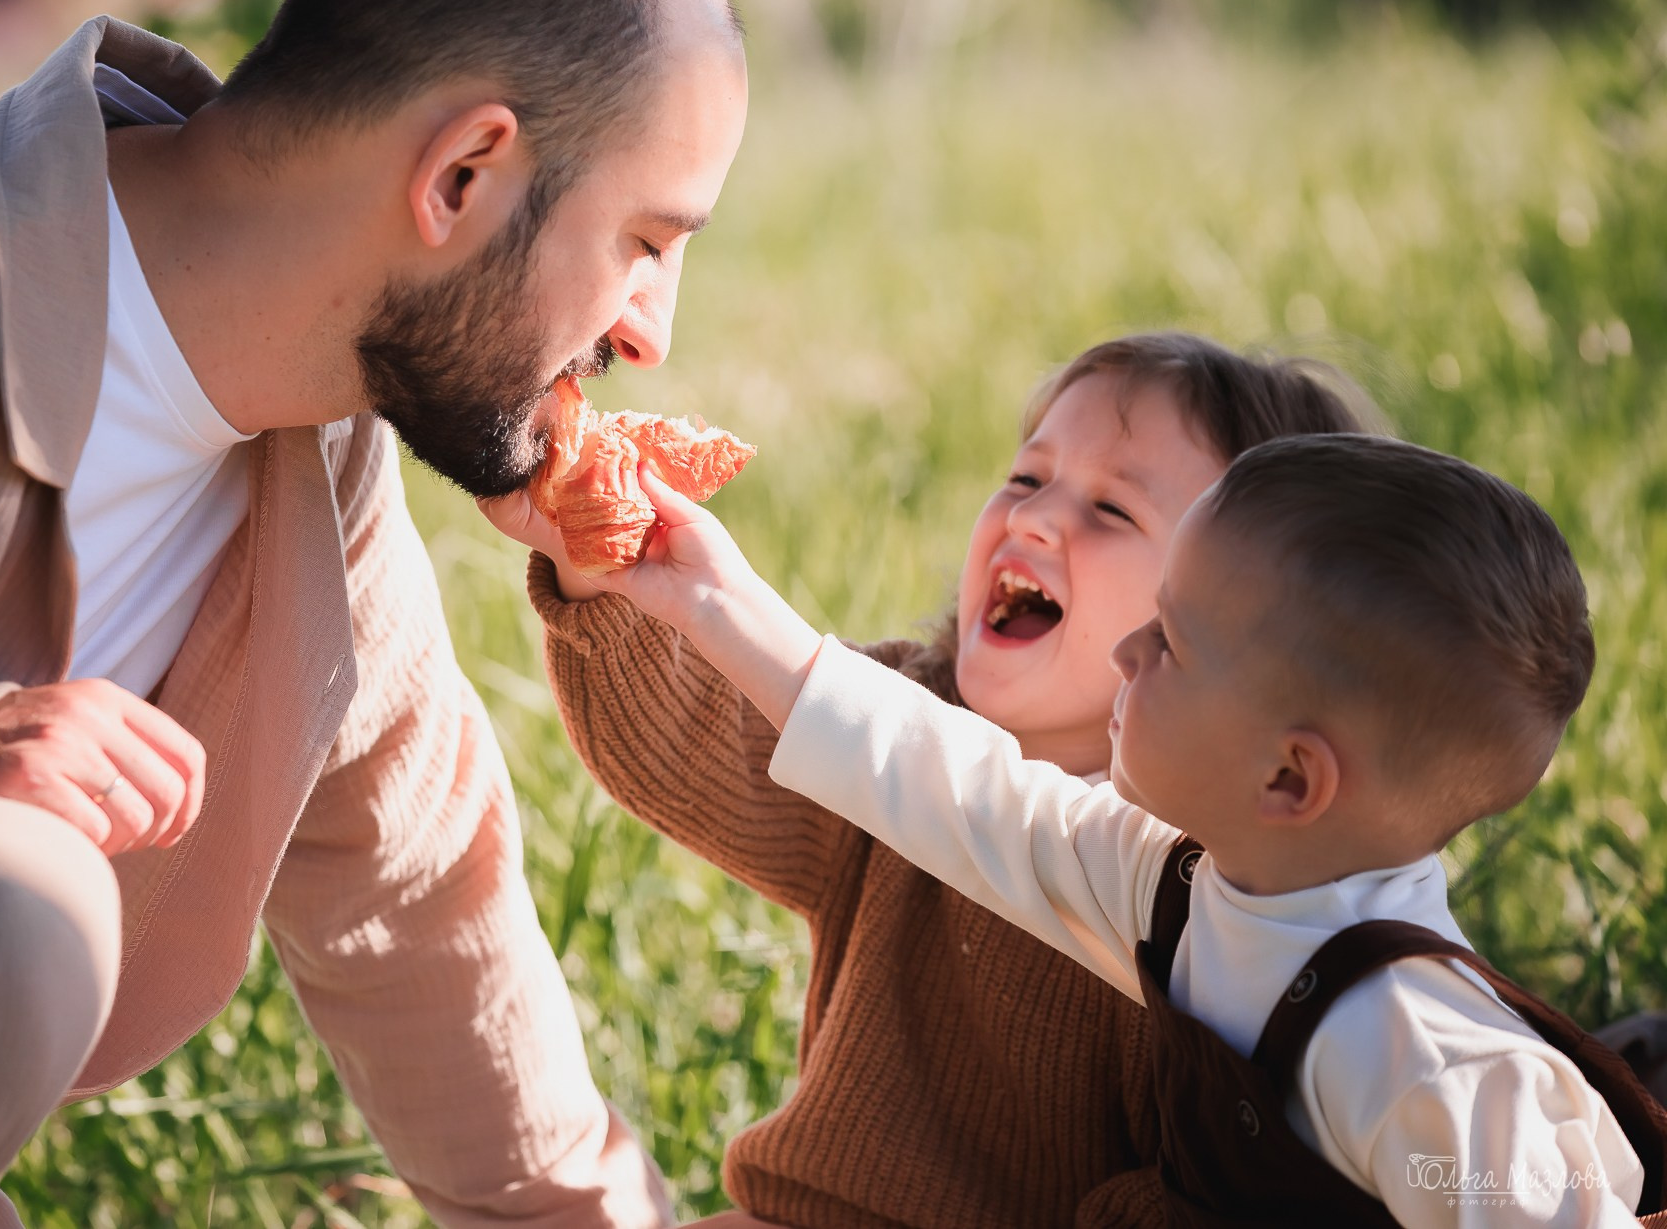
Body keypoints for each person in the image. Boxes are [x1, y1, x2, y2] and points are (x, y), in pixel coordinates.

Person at [0, 0, 747, 1226]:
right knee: (10, 909)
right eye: (645, 243)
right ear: (463, 175)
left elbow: (425, 919)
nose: (653, 332)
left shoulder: (316, 471)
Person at [504, 433, 1667, 1227]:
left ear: (1286, 776)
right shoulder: (1178, 884)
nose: (1126, 654)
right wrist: (707, 592)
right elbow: (950, 788)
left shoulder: (1424, 1062)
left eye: (1169, 642)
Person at [486, 333, 1379, 1225]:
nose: (1030, 518)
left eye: (1112, 509)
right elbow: (694, 744)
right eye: (1027, 479)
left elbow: (1191, 1191)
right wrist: (601, 565)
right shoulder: (906, 715)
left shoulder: (1200, 903)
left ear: (1250, 648)